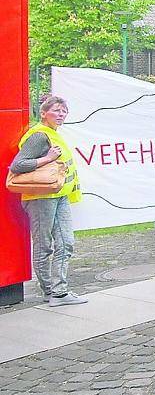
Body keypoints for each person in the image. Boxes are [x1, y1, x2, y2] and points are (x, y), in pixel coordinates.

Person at [9, 96, 87, 306]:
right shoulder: (39, 136)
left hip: (58, 195)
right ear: (43, 113)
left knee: (66, 242)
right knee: (44, 245)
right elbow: (18, 165)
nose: (61, 114)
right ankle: (51, 291)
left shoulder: (53, 134)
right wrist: (48, 158)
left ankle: (59, 292)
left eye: (64, 111)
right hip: (40, 198)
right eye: (56, 110)